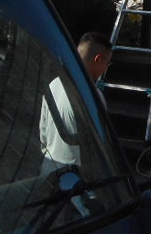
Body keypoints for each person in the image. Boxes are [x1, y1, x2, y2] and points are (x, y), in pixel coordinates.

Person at [40, 32, 112, 173]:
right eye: (107, 64)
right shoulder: (93, 97)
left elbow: (43, 134)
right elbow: (100, 145)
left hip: (48, 169)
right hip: (77, 177)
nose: (105, 70)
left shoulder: (53, 85)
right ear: (98, 59)